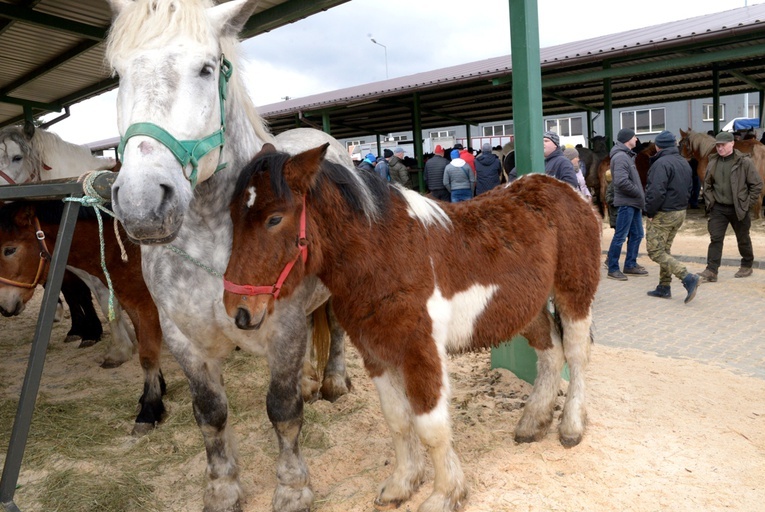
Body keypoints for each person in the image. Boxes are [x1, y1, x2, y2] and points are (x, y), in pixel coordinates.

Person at [697, 131, 764, 282]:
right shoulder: (713, 161)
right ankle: (711, 270)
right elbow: (707, 184)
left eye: (723, 145)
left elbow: (757, 185)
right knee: (715, 238)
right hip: (718, 208)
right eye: (718, 145)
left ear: (732, 144)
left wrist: (747, 204)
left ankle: (747, 265)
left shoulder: (744, 162)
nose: (720, 148)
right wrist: (710, 202)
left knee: (743, 238)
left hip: (738, 207)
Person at [643, 130, 699, 303]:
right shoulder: (683, 162)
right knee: (665, 249)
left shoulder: (660, 164)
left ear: (658, 146)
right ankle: (664, 287)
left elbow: (655, 191)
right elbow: (690, 188)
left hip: (664, 213)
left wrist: (650, 212)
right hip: (680, 212)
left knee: (655, 251)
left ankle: (687, 277)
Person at [606, 127, 648, 281]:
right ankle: (613, 268)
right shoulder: (621, 157)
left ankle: (630, 264)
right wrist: (638, 192)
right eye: (634, 136)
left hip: (633, 203)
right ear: (627, 139)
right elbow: (621, 181)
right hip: (626, 203)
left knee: (637, 234)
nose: (636, 139)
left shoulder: (627, 156)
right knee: (620, 236)